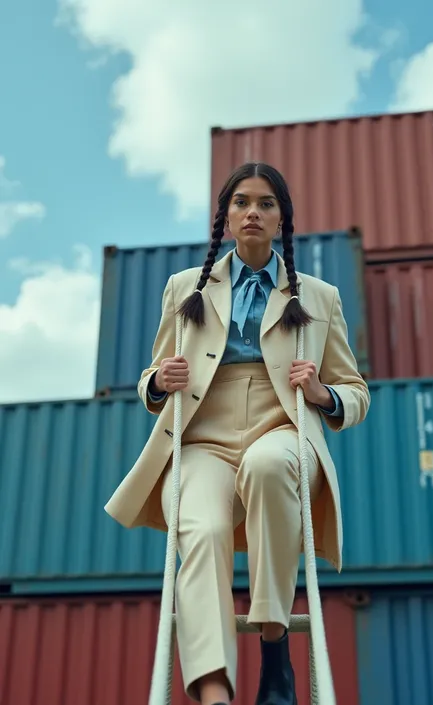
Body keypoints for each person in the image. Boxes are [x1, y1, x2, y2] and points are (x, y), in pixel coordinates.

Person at [104, 162, 370, 705]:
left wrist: (323, 394)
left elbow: (357, 390)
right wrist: (158, 382)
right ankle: (213, 690)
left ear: (281, 220)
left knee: (270, 466)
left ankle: (275, 650)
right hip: (203, 435)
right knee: (199, 531)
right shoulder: (184, 288)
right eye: (242, 202)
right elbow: (150, 379)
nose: (253, 211)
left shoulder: (320, 296)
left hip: (283, 425)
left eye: (266, 203)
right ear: (226, 217)